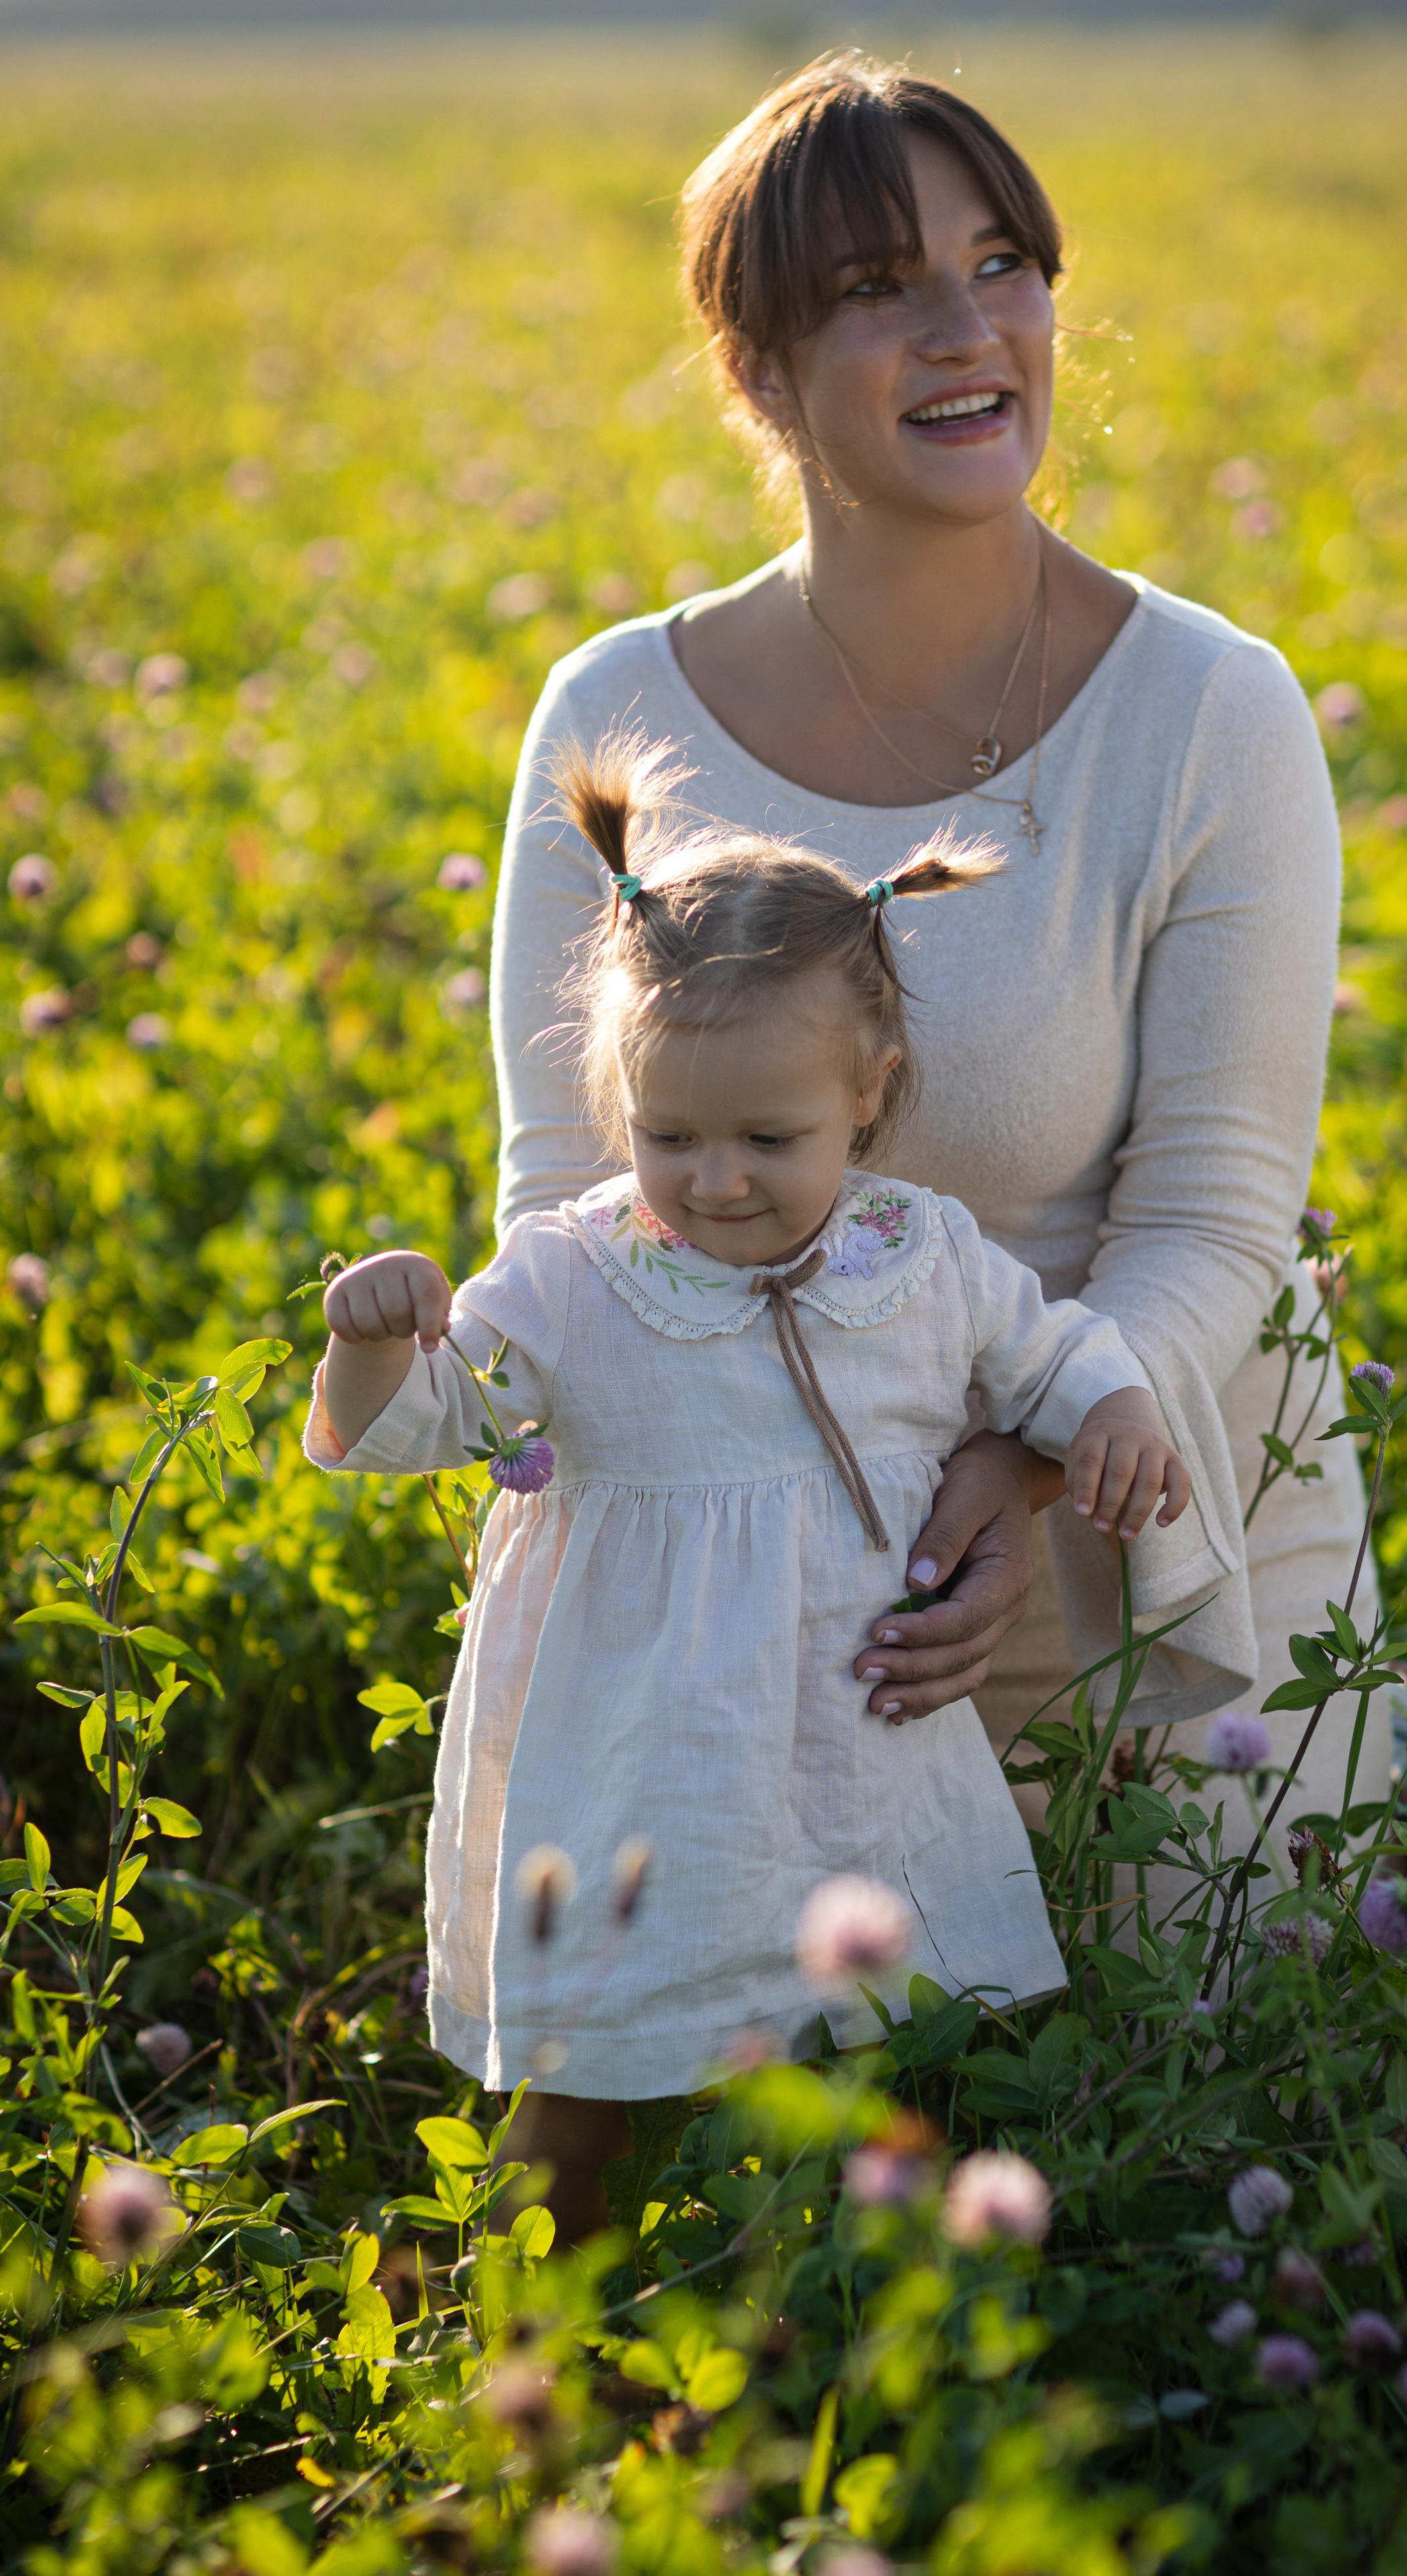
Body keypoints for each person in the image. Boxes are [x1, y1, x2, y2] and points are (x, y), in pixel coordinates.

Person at [490, 52, 1389, 1837]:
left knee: (1199, 2091)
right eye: (876, 289)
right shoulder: (619, 721)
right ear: (755, 367)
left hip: (1151, 1519)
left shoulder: (1211, 709)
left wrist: (1018, 1463)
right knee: (744, 2095)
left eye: (1005, 266)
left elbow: (1214, 1215)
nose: (971, 329)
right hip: (738, 1546)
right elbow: (566, 1209)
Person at [305, 737, 1189, 2240]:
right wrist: (367, 1342)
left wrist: (1111, 1411)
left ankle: (872, 2295)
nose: (713, 1179)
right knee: (593, 2067)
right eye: (669, 1136)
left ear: (870, 1094)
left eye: (766, 1138)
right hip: (646, 1756)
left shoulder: (922, 1253)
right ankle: (508, 2309)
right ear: (619, 1107)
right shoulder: (581, 1274)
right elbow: (418, 1427)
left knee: (892, 2032)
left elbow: (1051, 1353)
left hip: (860, 1736)